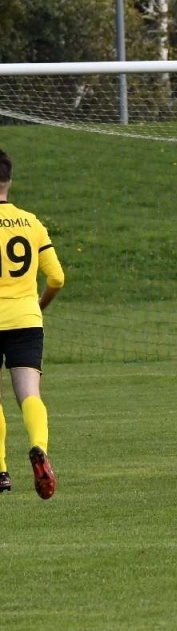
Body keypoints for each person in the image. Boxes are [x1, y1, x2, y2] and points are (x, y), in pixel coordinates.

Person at [0, 150, 64, 499]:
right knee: (29, 394)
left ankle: (0, 471)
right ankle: (39, 446)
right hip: (26, 318)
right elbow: (57, 278)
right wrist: (37, 306)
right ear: (8, 181)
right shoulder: (30, 222)